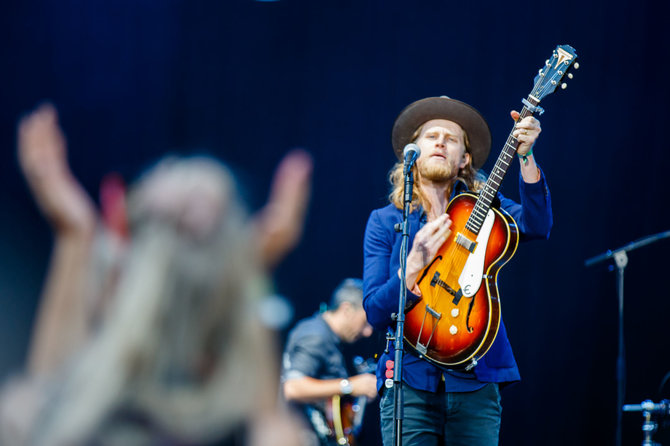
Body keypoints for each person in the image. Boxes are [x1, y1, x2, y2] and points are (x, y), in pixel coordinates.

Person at [0, 103, 313, 446]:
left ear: (119, 286)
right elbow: (271, 430)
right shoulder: (257, 434)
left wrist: (75, 239)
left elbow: (46, 404)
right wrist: (251, 277)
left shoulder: (48, 423)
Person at [362, 96, 553, 446]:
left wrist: (526, 156)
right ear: (413, 152)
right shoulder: (385, 221)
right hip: (409, 381)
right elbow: (374, 311)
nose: (439, 142)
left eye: (451, 138)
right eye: (431, 136)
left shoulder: (485, 210)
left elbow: (537, 224)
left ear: (464, 158)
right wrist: (412, 267)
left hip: (477, 378)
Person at [282, 278, 378, 446]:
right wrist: (351, 386)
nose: (368, 332)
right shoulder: (316, 336)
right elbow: (292, 387)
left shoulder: (328, 337)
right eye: (364, 322)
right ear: (346, 309)